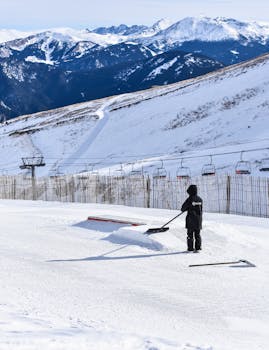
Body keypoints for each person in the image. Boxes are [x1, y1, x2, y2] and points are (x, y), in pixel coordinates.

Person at [181, 184, 203, 252]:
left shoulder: (189, 199)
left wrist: (187, 208)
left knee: (190, 235)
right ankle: (198, 248)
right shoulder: (200, 199)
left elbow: (183, 208)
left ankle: (190, 248)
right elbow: (200, 209)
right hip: (198, 220)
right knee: (197, 234)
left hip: (191, 220)